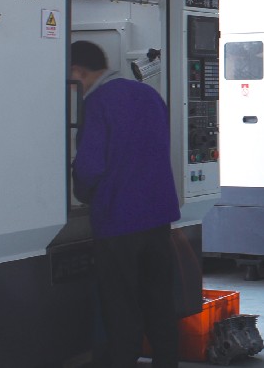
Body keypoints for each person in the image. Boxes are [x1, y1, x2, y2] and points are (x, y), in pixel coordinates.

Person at [71, 40, 181, 368]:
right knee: (159, 300)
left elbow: (90, 166)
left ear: (77, 72)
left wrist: (83, 194)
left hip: (118, 220)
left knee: (120, 305)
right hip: (158, 216)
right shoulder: (149, 94)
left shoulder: (97, 103)